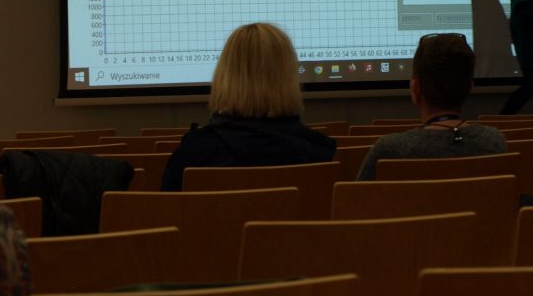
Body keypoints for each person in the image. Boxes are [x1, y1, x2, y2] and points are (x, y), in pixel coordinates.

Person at [161, 23, 335, 190]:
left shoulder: (194, 153)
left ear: (224, 74)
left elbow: (168, 207)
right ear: (289, 76)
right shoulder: (319, 153)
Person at [357, 33, 507, 180]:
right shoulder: (494, 142)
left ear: (415, 89)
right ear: (469, 88)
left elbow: (357, 196)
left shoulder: (388, 151)